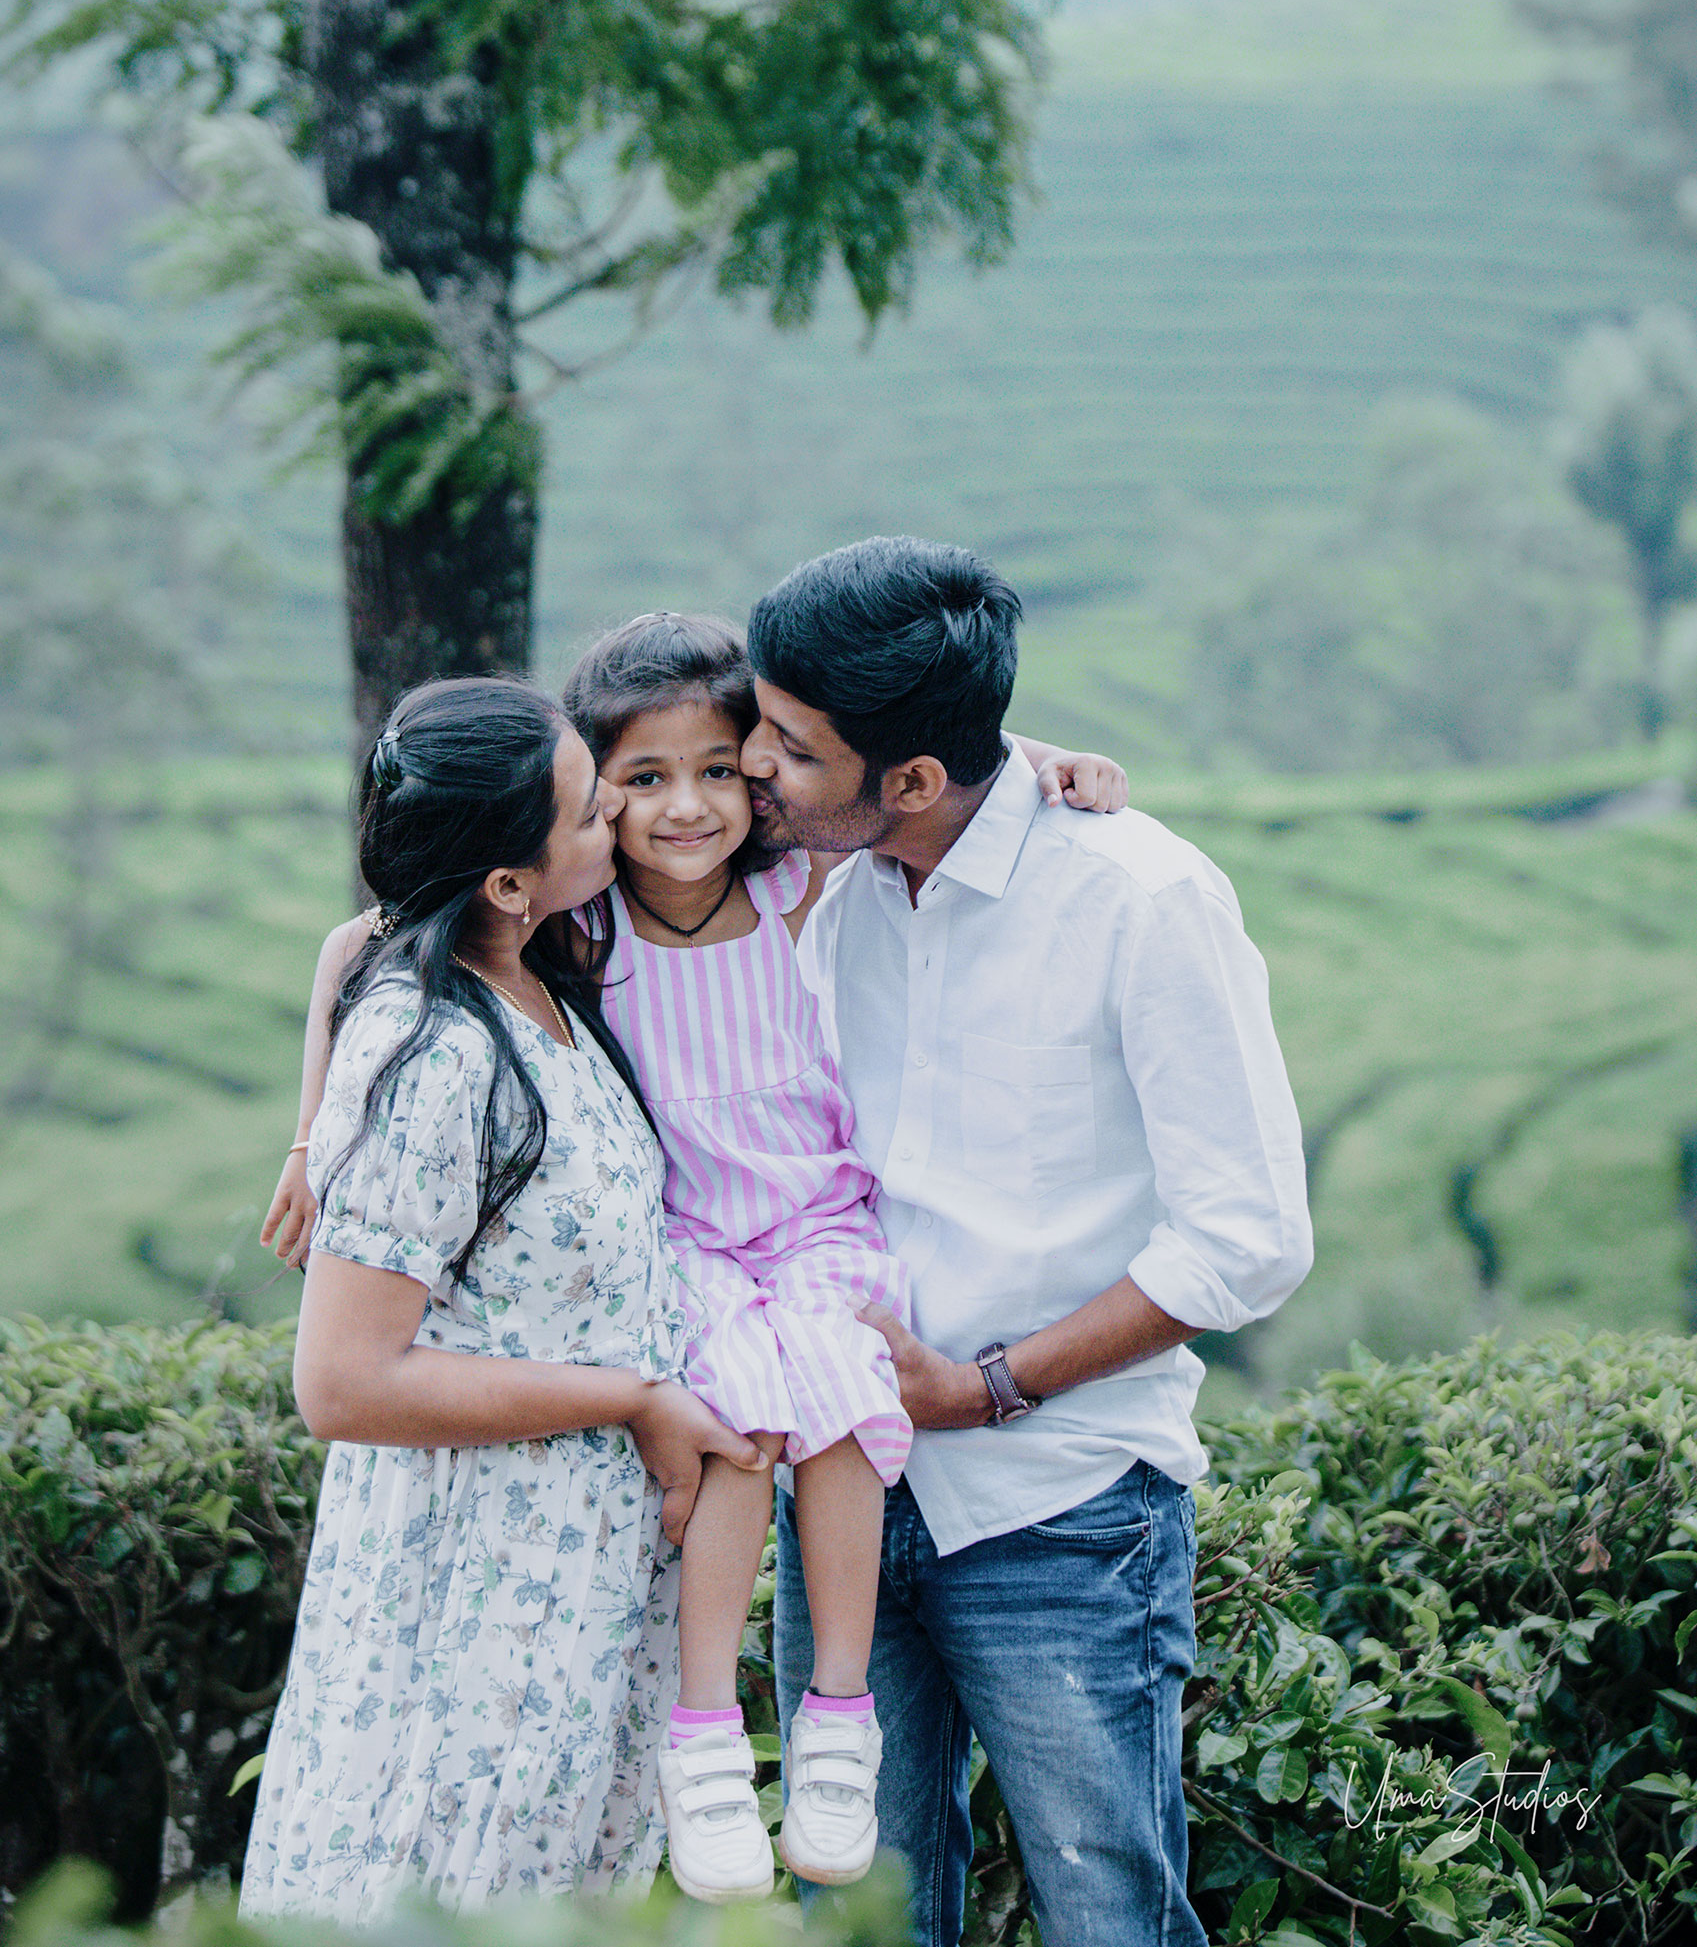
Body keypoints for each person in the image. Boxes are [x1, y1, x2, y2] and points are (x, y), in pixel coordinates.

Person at [265, 618, 1126, 1908]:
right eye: (621, 790)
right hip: (674, 1288)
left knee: (841, 1390)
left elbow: (869, 780)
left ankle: (834, 1723)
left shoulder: (773, 885)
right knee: (732, 1417)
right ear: (563, 825)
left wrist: (1019, 755)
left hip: (799, 1239)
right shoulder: (567, 931)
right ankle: (710, 1737)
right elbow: (360, 943)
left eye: (716, 772)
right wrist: (308, 1132)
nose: (667, 811)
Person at [739, 537, 1314, 1947]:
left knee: (1105, 1912)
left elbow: (1248, 1238)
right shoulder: (825, 882)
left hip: (1060, 1510)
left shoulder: (1140, 896)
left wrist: (988, 1384)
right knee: (852, 1916)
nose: (753, 766)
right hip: (843, 1490)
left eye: (791, 749)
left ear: (915, 780)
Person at [241, 677, 762, 1925]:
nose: (625, 828)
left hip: (577, 1596)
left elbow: (353, 936)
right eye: (593, 811)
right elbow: (344, 1381)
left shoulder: (541, 975)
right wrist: (632, 1397)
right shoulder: (435, 1050)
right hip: (469, 1612)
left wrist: (1026, 758)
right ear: (506, 882)